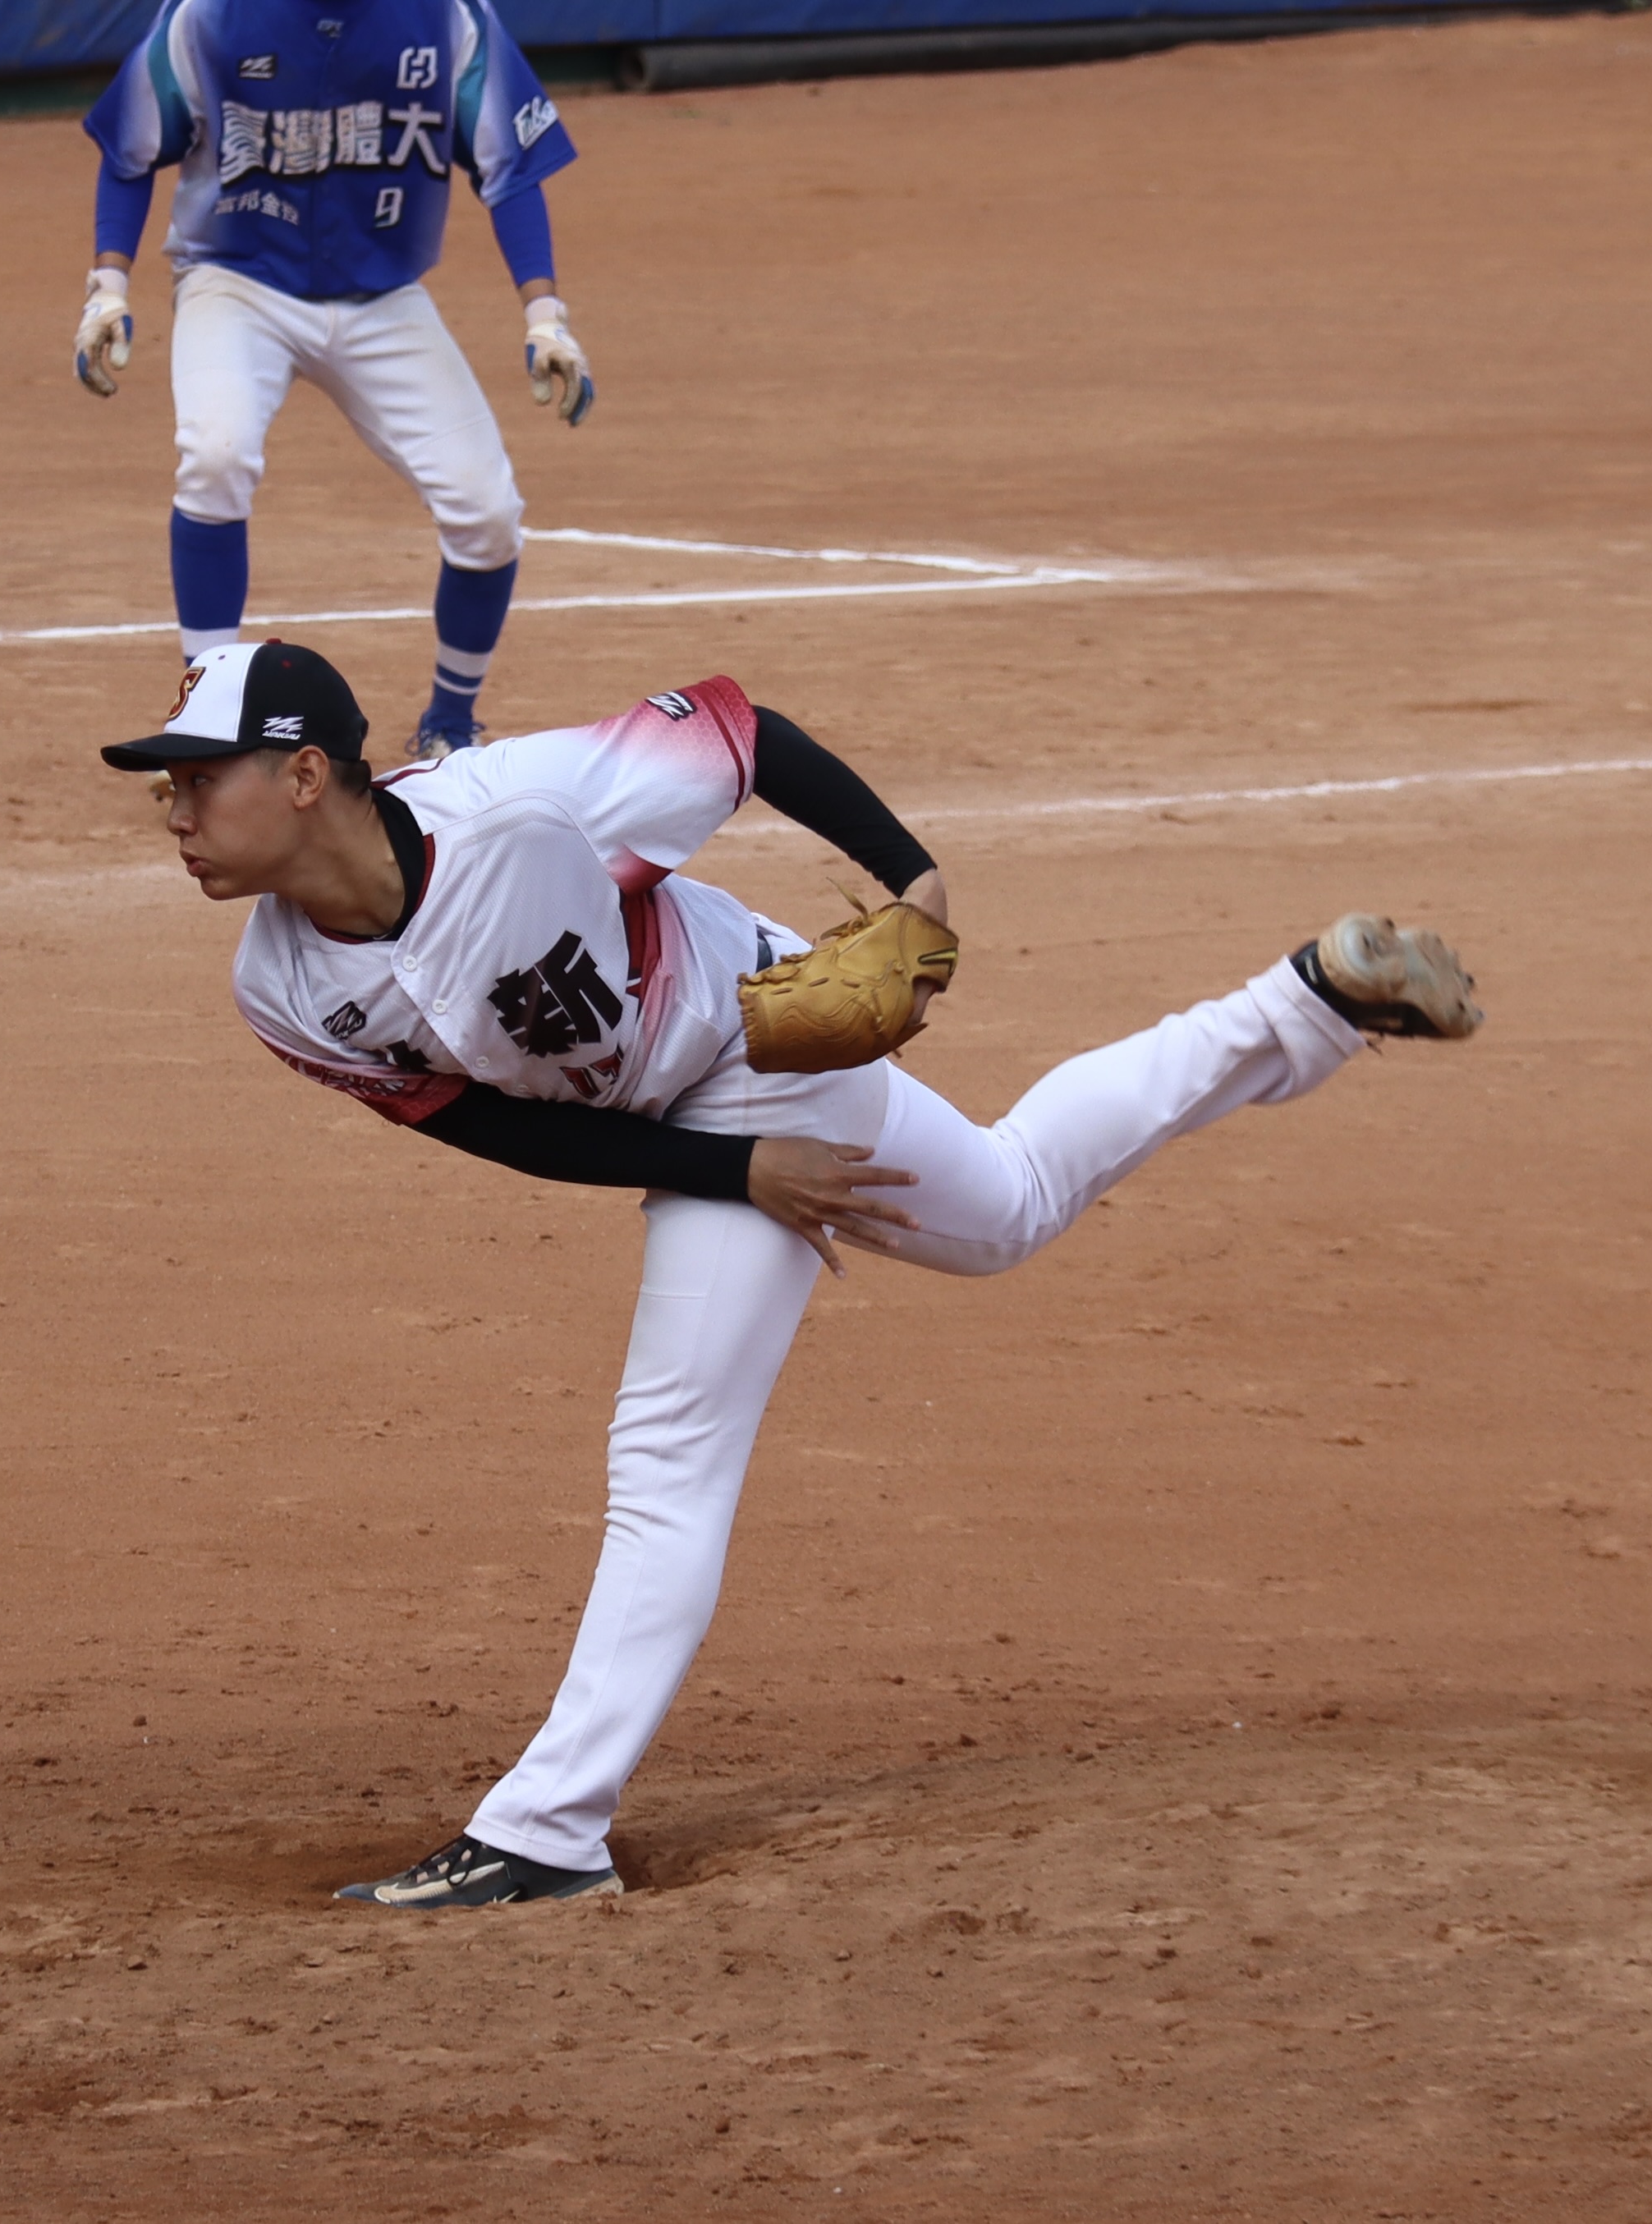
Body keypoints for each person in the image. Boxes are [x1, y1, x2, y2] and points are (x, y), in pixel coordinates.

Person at [103, 641, 1482, 1906]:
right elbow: (482, 1119)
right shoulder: (278, 984)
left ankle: (545, 1828)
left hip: (763, 1051)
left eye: (195, 778)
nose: (173, 812)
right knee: (1006, 1204)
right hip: (708, 1129)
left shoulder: (522, 803)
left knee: (669, 1448)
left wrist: (911, 879)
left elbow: (747, 736)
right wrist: (726, 1178)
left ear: (300, 774)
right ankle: (1302, 999)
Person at [76, 0, 591, 760]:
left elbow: (507, 170)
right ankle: (207, 718)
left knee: (486, 512)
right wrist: (108, 286)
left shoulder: (448, 21)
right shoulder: (210, 18)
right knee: (215, 455)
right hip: (237, 283)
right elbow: (130, 146)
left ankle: (450, 721)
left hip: (383, 299)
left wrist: (545, 314)